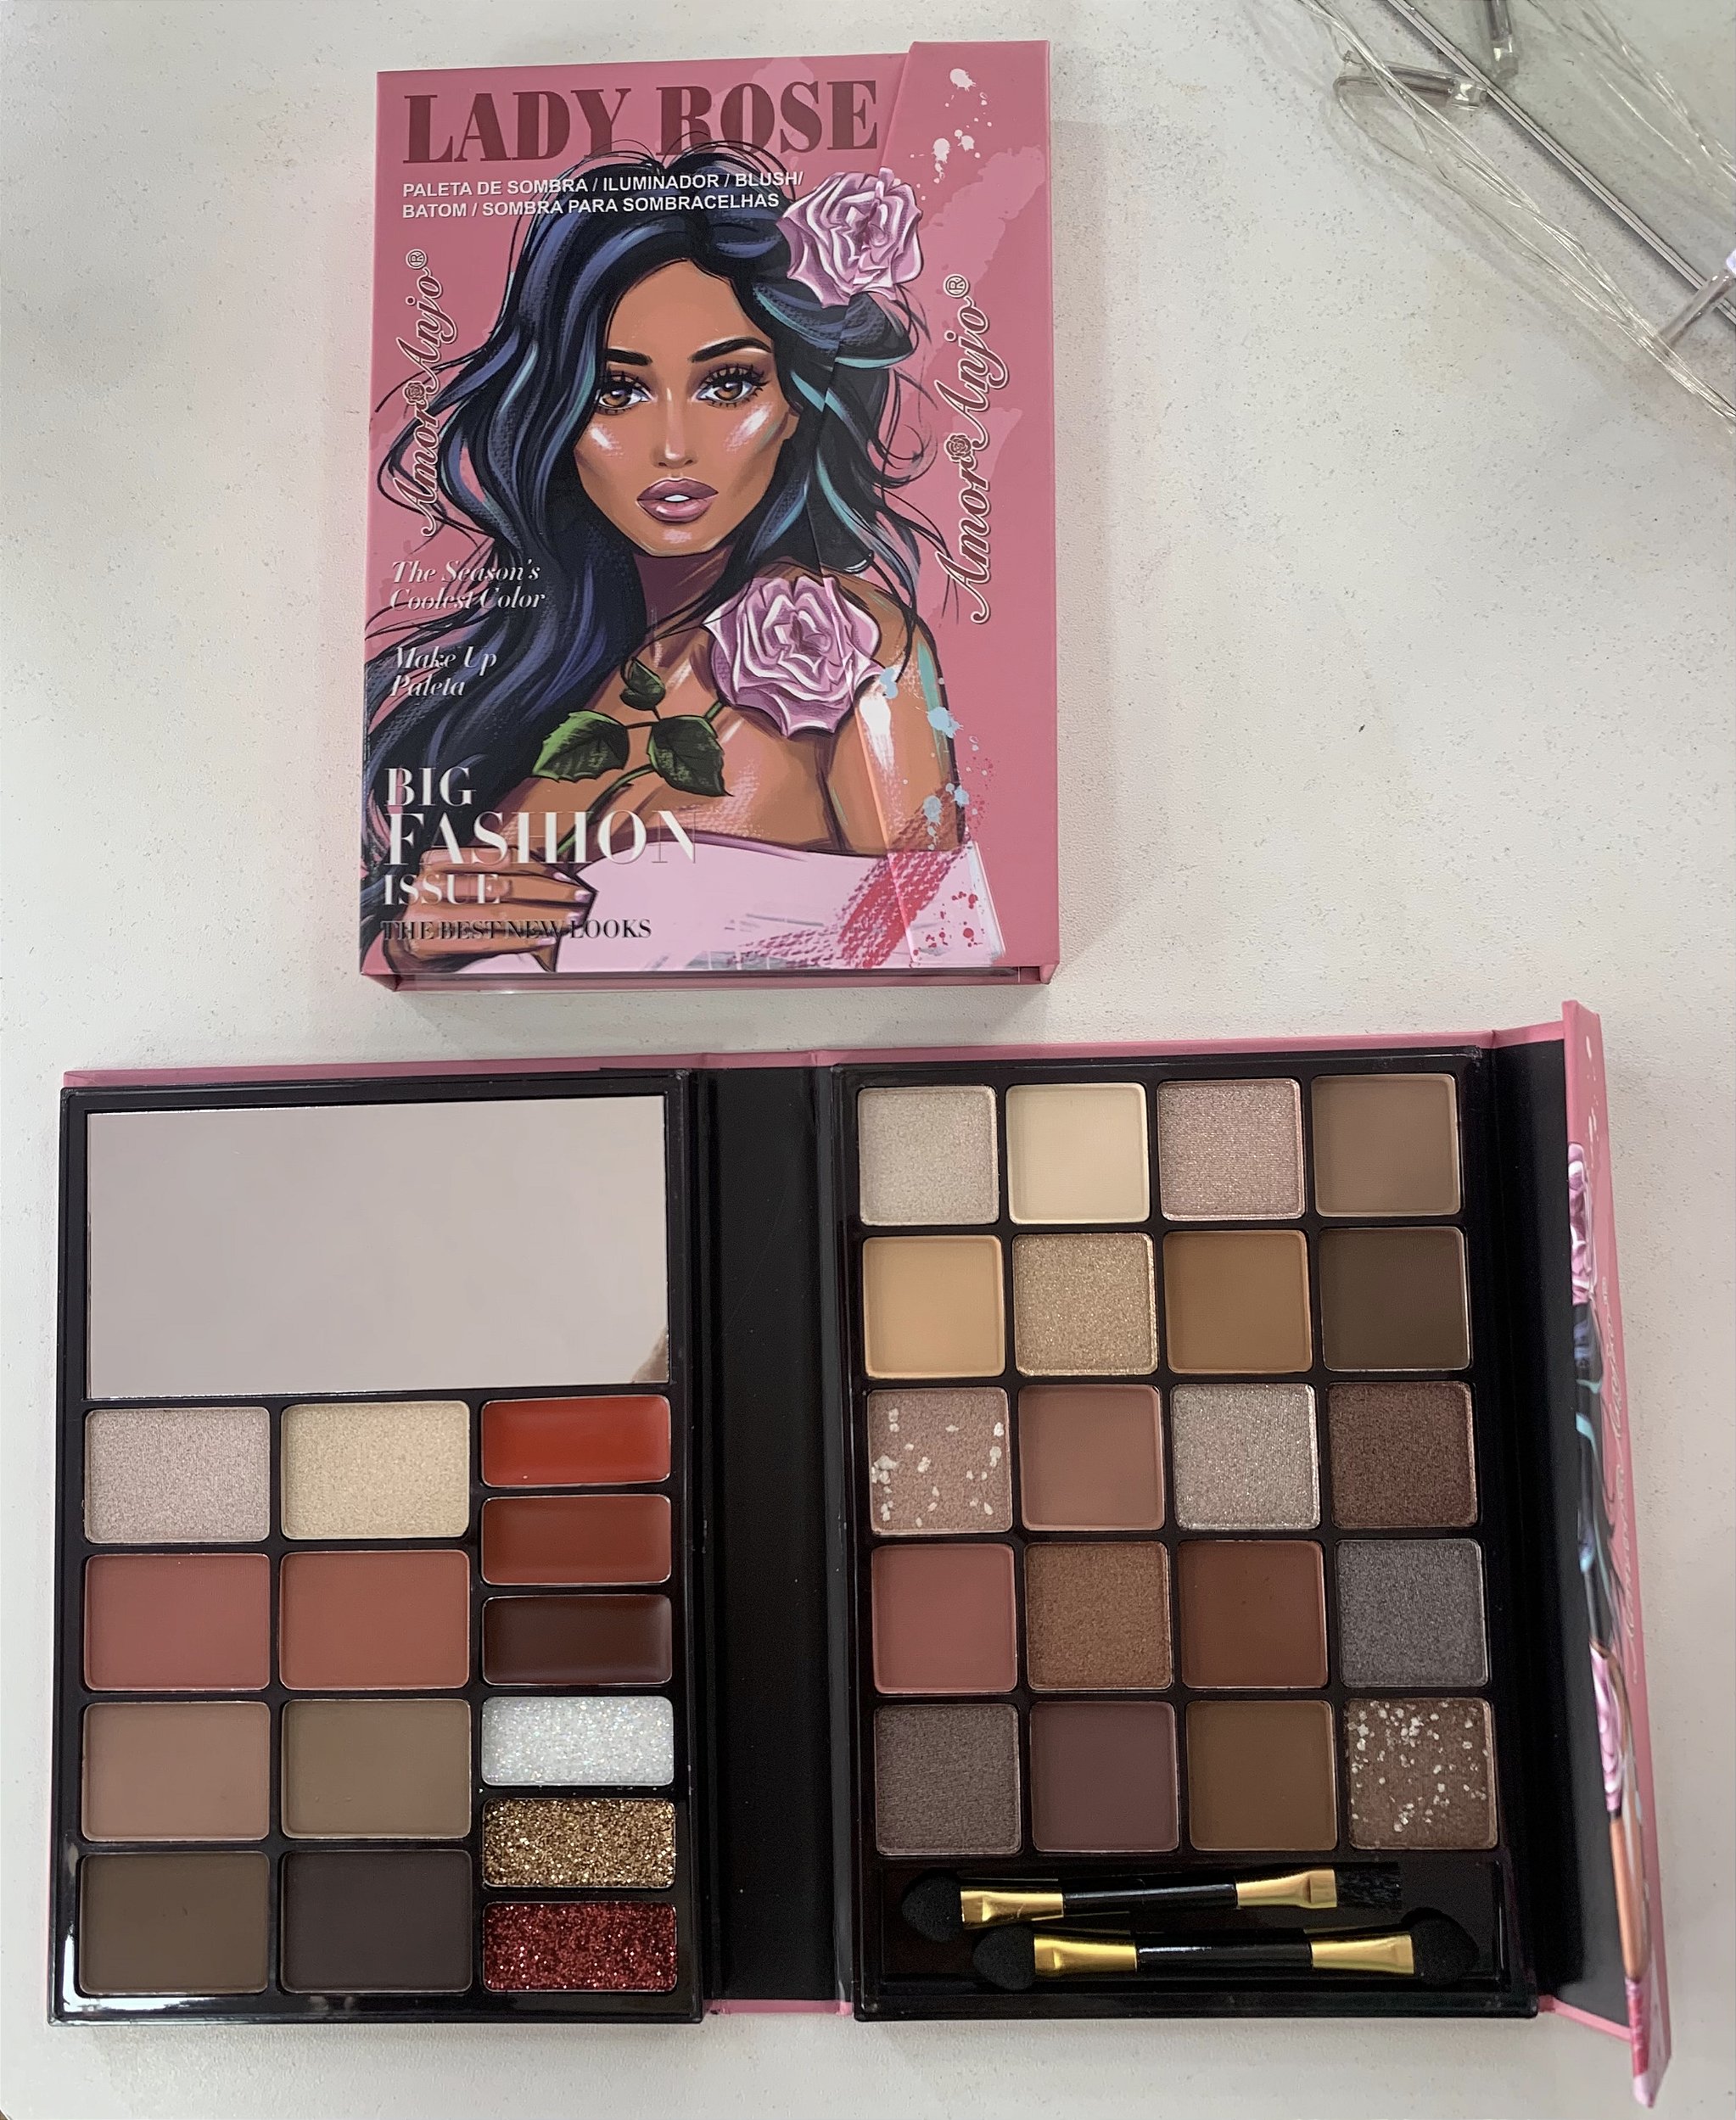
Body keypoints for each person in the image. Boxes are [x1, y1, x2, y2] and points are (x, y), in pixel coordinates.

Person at [363, 147, 999, 976]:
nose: (672, 447)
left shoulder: (853, 646)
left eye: (728, 384)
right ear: (556, 417)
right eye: (616, 391)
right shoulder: (535, 668)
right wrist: (412, 941)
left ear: (796, 405)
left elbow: (940, 953)